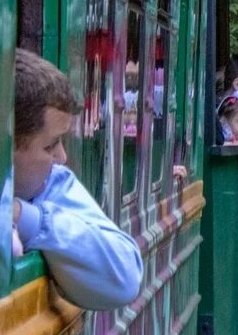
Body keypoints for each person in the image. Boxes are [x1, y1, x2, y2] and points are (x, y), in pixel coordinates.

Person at [11, 49, 143, 310]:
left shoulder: (49, 182)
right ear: (3, 149)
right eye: (50, 146)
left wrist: (24, 217)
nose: (61, 157)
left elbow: (124, 277)